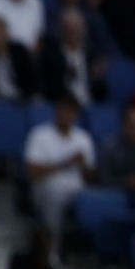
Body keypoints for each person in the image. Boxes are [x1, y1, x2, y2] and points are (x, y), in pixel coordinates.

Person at [24, 95, 95, 234]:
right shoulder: (39, 134)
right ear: (56, 112)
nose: (66, 115)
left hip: (77, 187)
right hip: (46, 186)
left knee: (94, 200)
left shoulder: (83, 138)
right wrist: (66, 163)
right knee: (54, 194)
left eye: (70, 112)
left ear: (76, 114)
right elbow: (32, 172)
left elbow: (92, 176)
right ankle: (52, 251)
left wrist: (83, 165)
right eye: (63, 111)